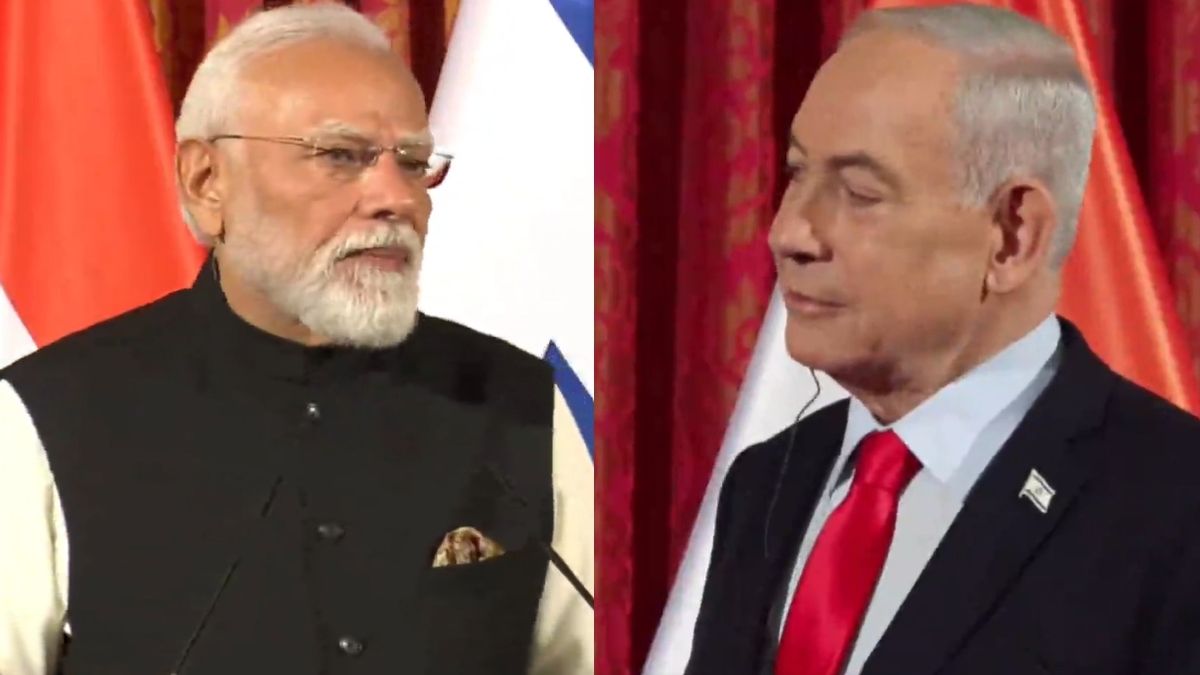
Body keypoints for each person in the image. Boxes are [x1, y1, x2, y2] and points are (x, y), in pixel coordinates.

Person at [0, 4, 592, 675]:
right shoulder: (49, 414)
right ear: (206, 181)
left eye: (413, 163)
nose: (397, 198)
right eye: (340, 156)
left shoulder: (518, 404)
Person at [685, 5, 1200, 675]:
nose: (789, 233)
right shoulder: (765, 481)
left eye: (859, 192)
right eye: (797, 173)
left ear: (1012, 236)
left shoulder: (1175, 505)